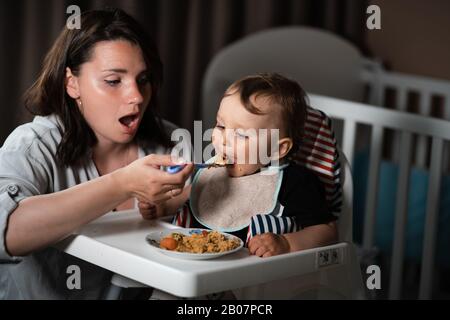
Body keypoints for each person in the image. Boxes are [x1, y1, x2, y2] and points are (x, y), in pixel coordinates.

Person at [0, 8, 193, 299]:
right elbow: (7, 233)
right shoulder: (32, 145)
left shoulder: (172, 144)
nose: (137, 96)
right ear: (72, 83)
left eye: (143, 79)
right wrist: (122, 183)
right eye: (114, 81)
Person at [140, 73, 338, 259]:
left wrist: (286, 243)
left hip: (252, 286)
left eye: (242, 135)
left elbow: (326, 231)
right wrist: (162, 207)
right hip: (191, 271)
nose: (224, 140)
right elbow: (195, 193)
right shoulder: (214, 168)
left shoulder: (295, 183)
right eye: (221, 126)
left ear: (278, 149)